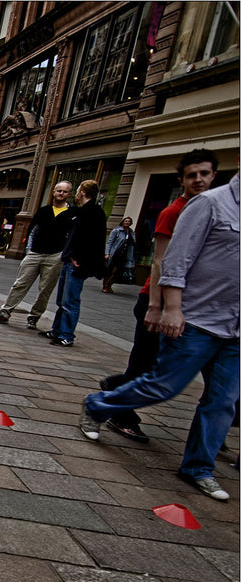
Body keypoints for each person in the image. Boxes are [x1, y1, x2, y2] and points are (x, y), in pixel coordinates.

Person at [80, 173, 239, 501]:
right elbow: (174, 261)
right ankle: (98, 405)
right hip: (197, 319)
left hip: (235, 328)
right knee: (163, 385)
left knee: (223, 401)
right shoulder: (210, 204)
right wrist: (170, 308)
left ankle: (198, 467)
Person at [99, 149, 219, 442]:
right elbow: (159, 262)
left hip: (196, 304)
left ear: (214, 176)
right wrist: (155, 305)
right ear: (182, 180)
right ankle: (119, 412)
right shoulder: (172, 212)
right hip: (158, 299)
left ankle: (116, 384)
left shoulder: (214, 210)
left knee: (175, 367)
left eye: (205, 174)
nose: (199, 180)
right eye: (192, 175)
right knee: (145, 363)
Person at [0, 181, 74, 329]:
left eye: (64, 192)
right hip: (35, 253)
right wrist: (29, 250)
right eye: (59, 191)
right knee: (20, 284)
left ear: (69, 194)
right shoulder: (44, 211)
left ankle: (34, 317)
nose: (61, 194)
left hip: (55, 256)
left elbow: (71, 236)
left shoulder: (72, 214)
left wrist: (63, 254)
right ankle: (5, 312)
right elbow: (32, 230)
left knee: (45, 289)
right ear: (53, 192)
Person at [40, 180, 106, 347]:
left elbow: (94, 240)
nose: (76, 194)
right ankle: (57, 331)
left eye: (77, 191)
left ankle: (66, 335)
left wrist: (80, 258)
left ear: (82, 192)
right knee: (62, 299)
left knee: (70, 300)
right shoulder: (80, 211)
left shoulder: (94, 212)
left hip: (77, 263)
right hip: (69, 259)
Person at [101, 216, 136, 293]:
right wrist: (107, 253)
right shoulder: (117, 231)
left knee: (118, 272)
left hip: (124, 255)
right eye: (126, 221)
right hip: (115, 253)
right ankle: (105, 286)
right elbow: (109, 242)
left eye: (129, 221)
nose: (127, 223)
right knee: (110, 270)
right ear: (123, 222)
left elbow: (132, 245)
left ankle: (110, 285)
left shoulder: (131, 232)